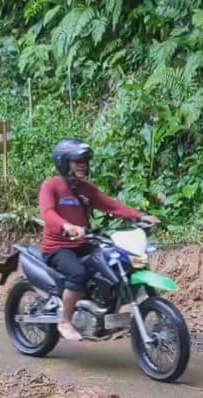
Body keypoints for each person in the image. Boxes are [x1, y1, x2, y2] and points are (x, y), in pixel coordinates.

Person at [38, 138, 159, 341]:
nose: (83, 165)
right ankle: (65, 321)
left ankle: (105, 311)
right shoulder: (51, 186)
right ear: (63, 162)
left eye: (85, 161)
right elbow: (48, 212)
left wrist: (139, 217)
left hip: (84, 243)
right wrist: (66, 226)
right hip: (58, 248)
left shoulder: (86, 189)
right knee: (78, 274)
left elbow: (112, 206)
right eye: (77, 161)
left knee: (113, 262)